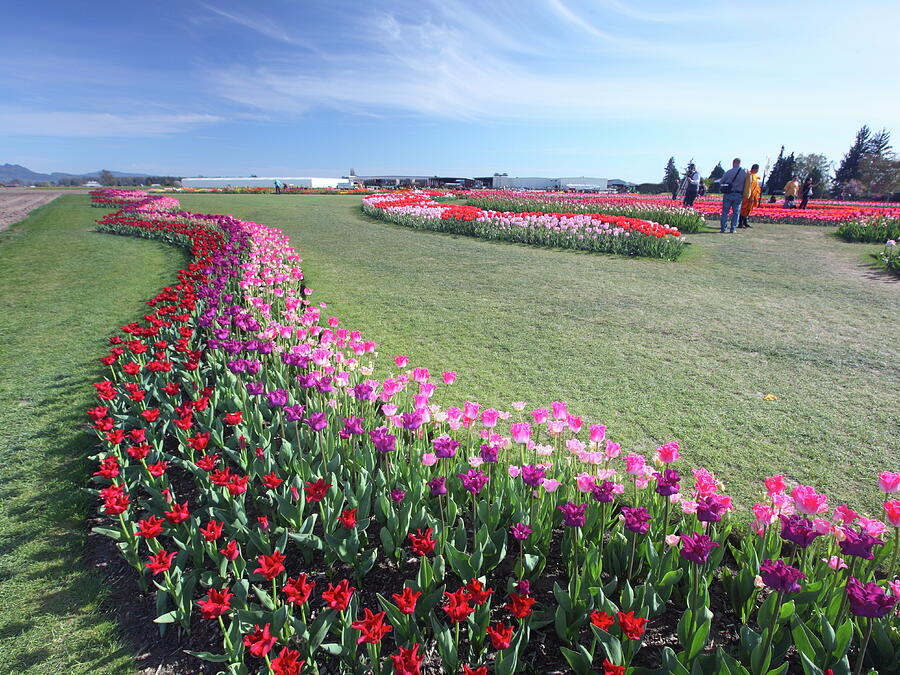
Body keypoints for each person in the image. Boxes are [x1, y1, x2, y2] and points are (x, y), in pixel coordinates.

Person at [718, 158, 747, 233]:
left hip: (728, 194)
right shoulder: (745, 173)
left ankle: (723, 228)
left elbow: (721, 182)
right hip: (738, 194)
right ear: (740, 163)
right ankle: (733, 229)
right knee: (736, 212)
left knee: (725, 212)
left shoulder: (729, 172)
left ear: (733, 163)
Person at [738, 164, 761, 228]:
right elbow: (750, 187)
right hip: (748, 196)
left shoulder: (754, 176)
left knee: (749, 209)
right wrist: (751, 196)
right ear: (755, 169)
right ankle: (740, 223)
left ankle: (745, 222)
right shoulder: (749, 175)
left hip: (753, 196)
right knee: (743, 209)